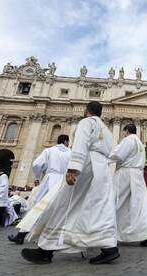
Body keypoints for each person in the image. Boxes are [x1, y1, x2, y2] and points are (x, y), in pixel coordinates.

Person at [21, 101, 119, 265]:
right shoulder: (107, 131)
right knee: (96, 208)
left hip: (86, 166)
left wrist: (73, 168)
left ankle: (45, 250)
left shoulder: (86, 122)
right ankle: (109, 247)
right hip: (101, 169)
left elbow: (81, 144)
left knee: (65, 205)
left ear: (86, 110)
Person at [9, 135, 70, 244]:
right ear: (66, 141)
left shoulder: (49, 150)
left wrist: (39, 174)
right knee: (61, 209)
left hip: (49, 180)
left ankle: (21, 235)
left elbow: (37, 164)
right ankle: (57, 238)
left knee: (38, 208)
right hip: (64, 182)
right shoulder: (70, 153)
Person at [107, 124, 147, 247]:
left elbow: (118, 155)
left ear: (126, 131)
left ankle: (109, 232)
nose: (123, 134)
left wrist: (102, 158)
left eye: (124, 131)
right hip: (137, 175)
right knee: (139, 205)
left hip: (126, 174)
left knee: (114, 200)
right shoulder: (140, 143)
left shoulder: (128, 140)